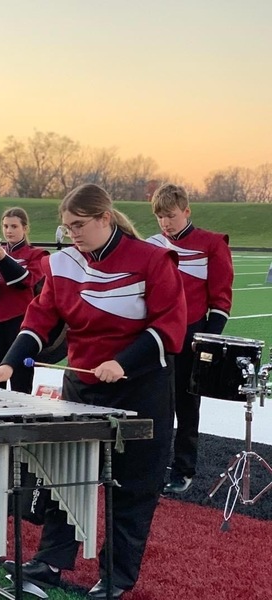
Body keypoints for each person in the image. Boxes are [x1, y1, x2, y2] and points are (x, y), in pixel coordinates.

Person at [0, 183, 186, 600]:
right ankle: (52, 561)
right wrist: (9, 360)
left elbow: (170, 327)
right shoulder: (62, 265)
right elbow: (39, 319)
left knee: (132, 487)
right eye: (66, 227)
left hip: (141, 387)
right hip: (82, 384)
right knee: (65, 475)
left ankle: (116, 576)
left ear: (105, 219)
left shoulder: (151, 259)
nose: (72, 234)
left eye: (79, 225)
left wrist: (123, 363)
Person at [147, 183, 234, 495]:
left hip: (191, 335)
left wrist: (206, 343)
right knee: (153, 404)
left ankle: (183, 470)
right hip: (154, 337)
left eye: (170, 215)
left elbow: (221, 300)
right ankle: (151, 466)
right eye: (159, 217)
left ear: (186, 211)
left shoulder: (211, 243)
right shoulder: (152, 245)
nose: (165, 223)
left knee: (186, 406)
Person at [0, 207, 48, 393]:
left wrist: (4, 260)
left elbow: (27, 281)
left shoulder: (37, 255)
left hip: (22, 320)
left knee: (21, 377)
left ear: (25, 228)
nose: (9, 231)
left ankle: (20, 419)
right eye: (6, 226)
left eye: (14, 226)